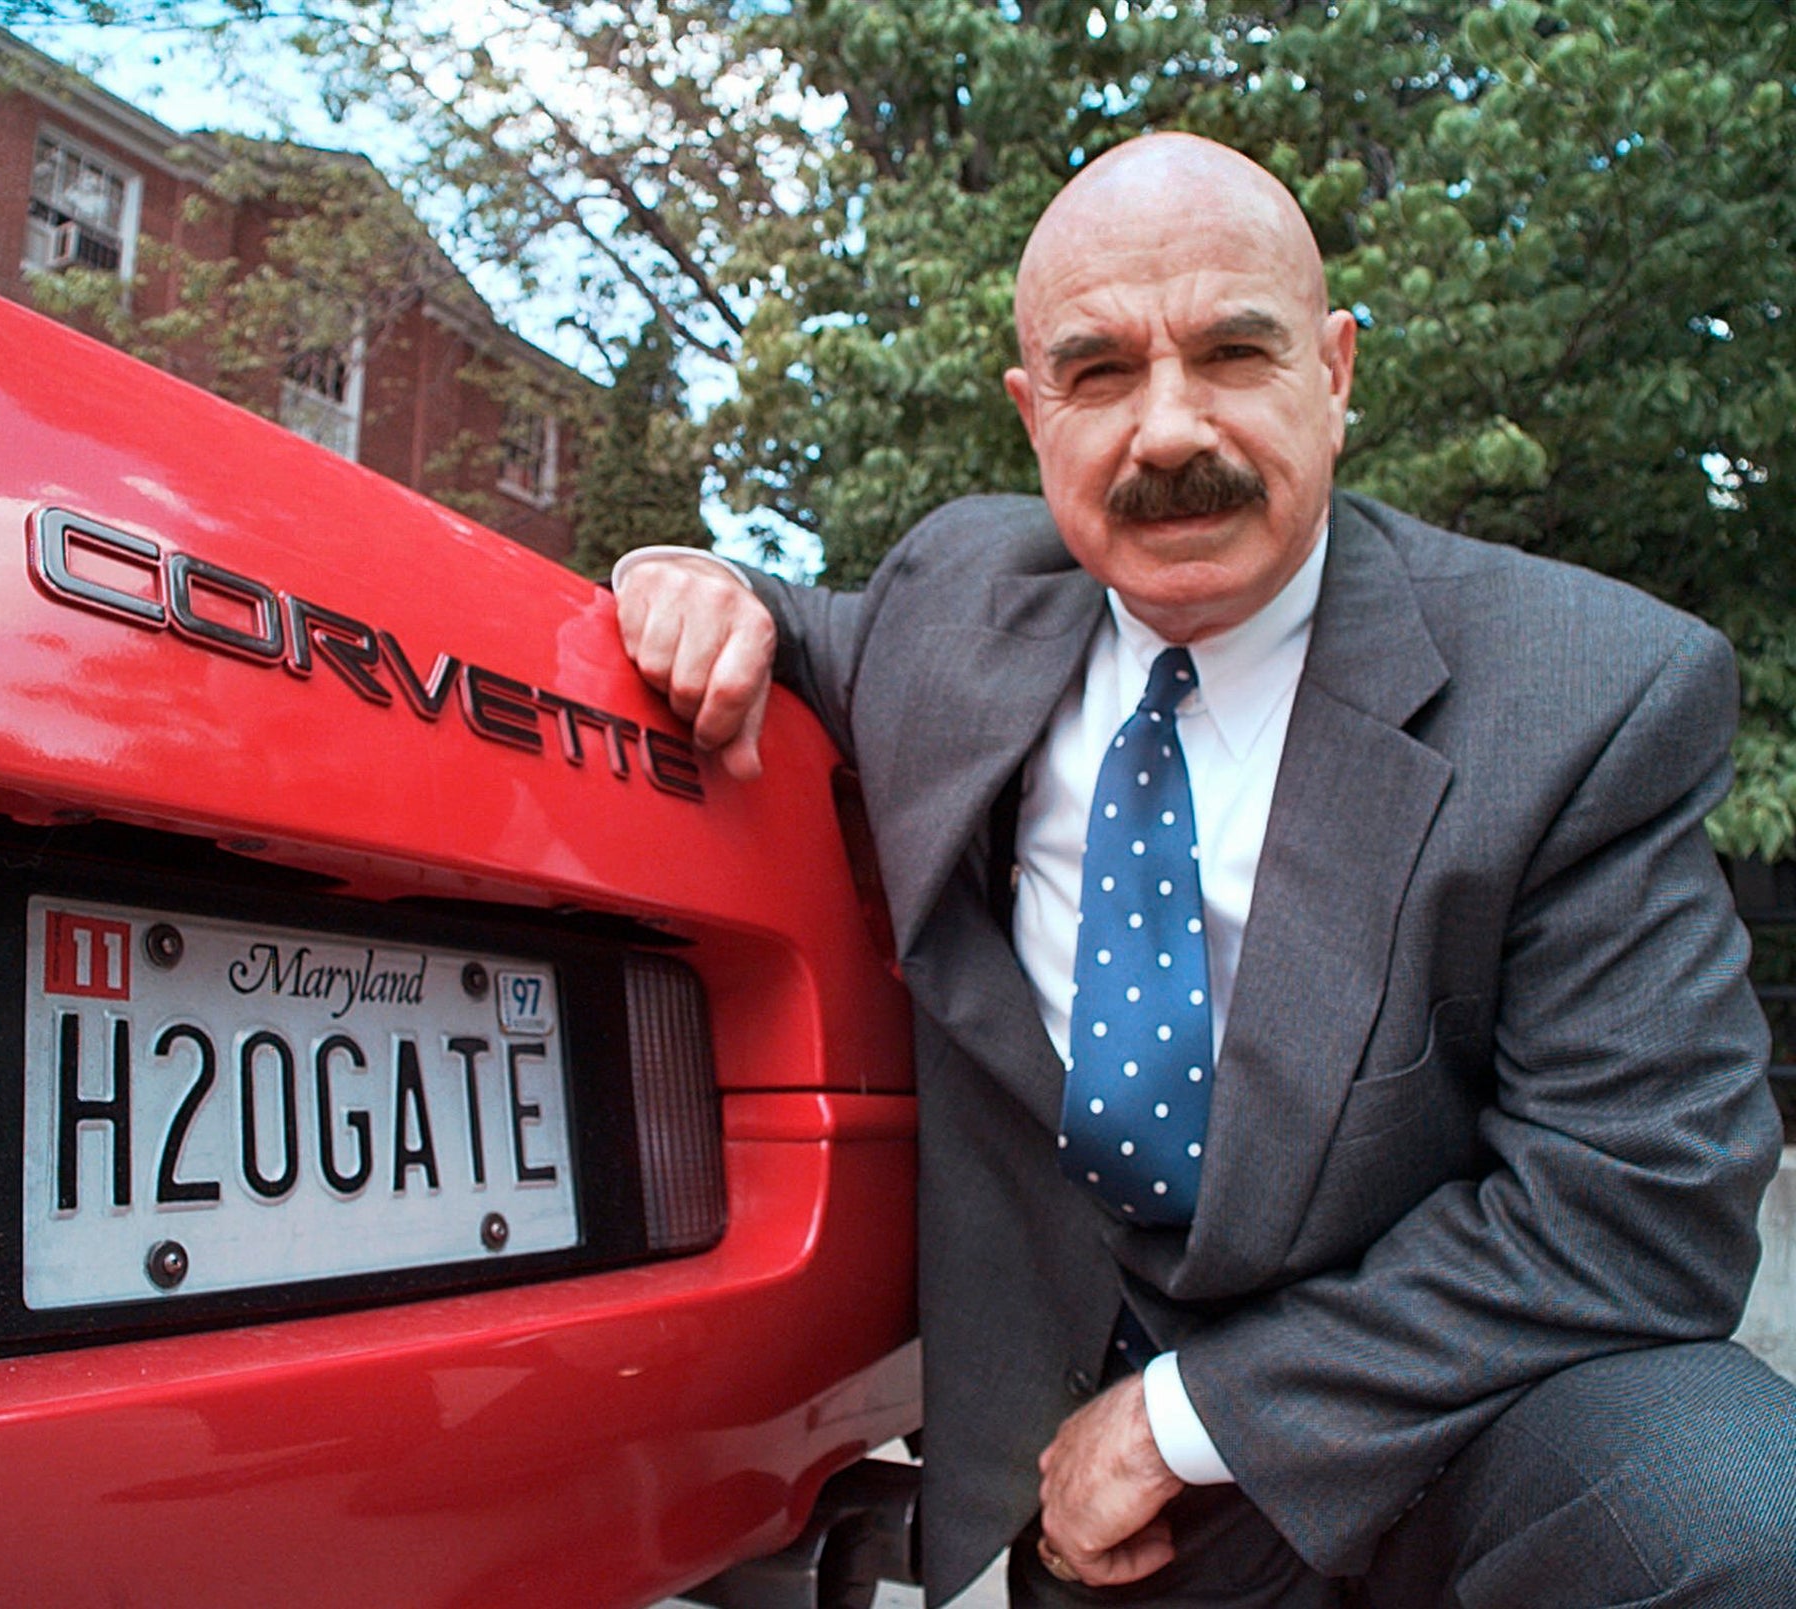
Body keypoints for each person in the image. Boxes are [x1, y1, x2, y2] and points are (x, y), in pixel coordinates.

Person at [613, 133, 1796, 1606]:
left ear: (1337, 371)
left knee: (1749, 1514)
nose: (1169, 433)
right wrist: (689, 580)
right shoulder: (950, 599)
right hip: (1060, 1488)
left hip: (1437, 1436)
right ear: (1031, 411)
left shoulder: (1581, 694)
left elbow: (1645, 1196)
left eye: (1235, 351)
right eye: (1100, 373)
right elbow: (788, 620)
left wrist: (1194, 1419)